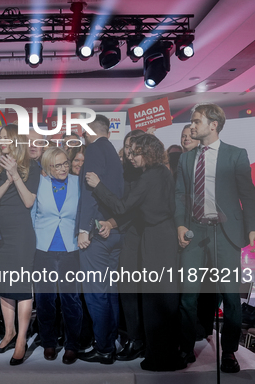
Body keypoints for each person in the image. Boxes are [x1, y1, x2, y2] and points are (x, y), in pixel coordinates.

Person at [175, 103, 255, 373]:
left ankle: (230, 352)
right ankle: (186, 348)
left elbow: (247, 195)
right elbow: (180, 195)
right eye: (192, 121)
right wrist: (179, 224)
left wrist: (253, 228)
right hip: (194, 231)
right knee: (188, 297)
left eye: (196, 121)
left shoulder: (236, 155)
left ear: (213, 125)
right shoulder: (186, 158)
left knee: (230, 297)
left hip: (225, 233)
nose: (192, 126)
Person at [86, 134, 181, 371]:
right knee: (163, 299)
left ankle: (160, 357)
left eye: (135, 152)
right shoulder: (163, 172)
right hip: (163, 237)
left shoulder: (150, 177)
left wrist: (98, 186)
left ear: (148, 152)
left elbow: (122, 206)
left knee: (155, 300)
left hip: (156, 240)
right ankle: (164, 352)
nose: (131, 157)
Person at [0, 124, 40, 365]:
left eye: (6, 139)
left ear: (16, 141)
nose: (2, 143)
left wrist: (16, 175)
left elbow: (30, 201)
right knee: (4, 284)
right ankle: (8, 332)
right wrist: (7, 179)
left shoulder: (32, 166)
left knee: (21, 285)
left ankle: (21, 338)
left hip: (21, 233)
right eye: (0, 139)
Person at [77, 114, 124, 364]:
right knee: (109, 291)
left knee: (96, 294)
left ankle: (104, 347)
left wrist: (84, 229)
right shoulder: (113, 152)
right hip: (113, 232)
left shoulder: (94, 148)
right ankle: (110, 342)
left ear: (88, 130)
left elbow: (89, 192)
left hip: (97, 234)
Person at [31, 147, 83, 365]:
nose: (63, 168)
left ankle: (72, 345)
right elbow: (32, 215)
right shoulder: (39, 182)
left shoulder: (78, 182)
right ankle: (49, 342)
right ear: (47, 167)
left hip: (71, 250)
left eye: (65, 163)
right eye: (57, 165)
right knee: (45, 301)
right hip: (44, 250)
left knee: (71, 300)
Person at [115, 129, 146, 362]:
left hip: (145, 239)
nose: (129, 151)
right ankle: (132, 337)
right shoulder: (122, 171)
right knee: (126, 292)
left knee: (142, 293)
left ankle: (141, 339)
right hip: (125, 238)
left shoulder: (150, 174)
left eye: (134, 146)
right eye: (127, 146)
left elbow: (128, 207)